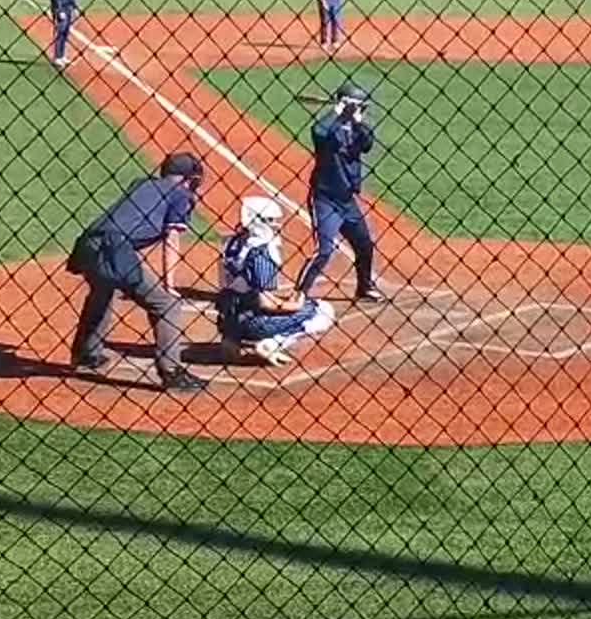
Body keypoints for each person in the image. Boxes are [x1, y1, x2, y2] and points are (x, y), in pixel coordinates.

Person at [64, 151, 209, 392]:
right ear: (189, 179)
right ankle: (171, 372)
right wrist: (169, 284)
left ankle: (86, 355)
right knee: (166, 305)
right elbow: (171, 239)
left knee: (102, 291)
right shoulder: (180, 194)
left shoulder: (142, 184)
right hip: (113, 246)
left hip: (87, 243)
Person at [295, 82, 387, 302]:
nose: (362, 110)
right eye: (359, 106)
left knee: (364, 244)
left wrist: (356, 121)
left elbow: (367, 144)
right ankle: (298, 294)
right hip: (325, 199)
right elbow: (318, 132)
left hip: (347, 201)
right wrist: (336, 112)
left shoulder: (357, 128)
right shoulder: (328, 128)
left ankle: (364, 287)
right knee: (324, 251)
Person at [217, 197, 335, 366]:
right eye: (270, 220)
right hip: (254, 323)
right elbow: (265, 303)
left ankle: (231, 340)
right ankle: (273, 343)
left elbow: (227, 286)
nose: (275, 225)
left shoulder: (232, 243)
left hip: (227, 319)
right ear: (257, 220)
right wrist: (294, 305)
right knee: (322, 311)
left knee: (245, 297)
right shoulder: (263, 252)